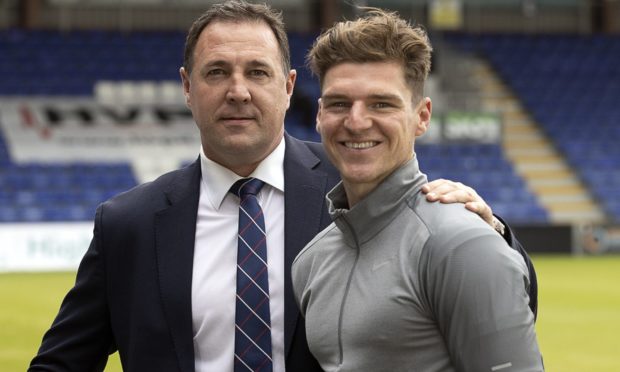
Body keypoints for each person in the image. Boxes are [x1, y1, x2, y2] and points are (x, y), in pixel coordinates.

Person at [29, 2, 536, 371]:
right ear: (187, 86)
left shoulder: (359, 180)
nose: (238, 91)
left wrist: (493, 234)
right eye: (217, 72)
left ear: (289, 85)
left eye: (257, 71)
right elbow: (62, 361)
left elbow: (496, 303)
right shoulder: (129, 224)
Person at [292, 8, 543, 372]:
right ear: (319, 115)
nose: (357, 121)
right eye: (339, 103)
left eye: (382, 104)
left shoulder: (460, 245)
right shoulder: (311, 262)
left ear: (422, 116)